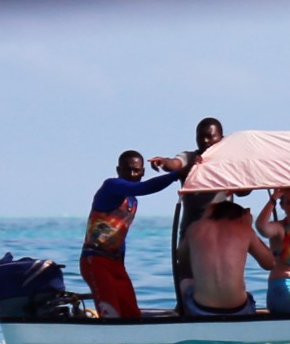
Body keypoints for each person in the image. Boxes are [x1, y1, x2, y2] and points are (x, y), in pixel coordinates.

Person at [80, 149, 185, 318]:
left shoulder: (131, 200)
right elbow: (145, 187)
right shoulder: (111, 187)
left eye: (136, 170)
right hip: (95, 261)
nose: (131, 174)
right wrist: (177, 174)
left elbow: (118, 234)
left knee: (131, 314)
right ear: (118, 170)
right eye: (126, 170)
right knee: (111, 315)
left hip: (116, 264)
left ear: (142, 172)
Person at [159, 116, 227, 298]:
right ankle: (183, 315)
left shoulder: (228, 163)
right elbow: (175, 164)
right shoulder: (190, 158)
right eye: (200, 137)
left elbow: (245, 192)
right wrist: (164, 163)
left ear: (221, 138)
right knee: (187, 284)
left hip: (219, 239)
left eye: (209, 137)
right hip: (190, 236)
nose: (205, 141)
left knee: (216, 286)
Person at [180, 198, 276, 317]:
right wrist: (249, 227)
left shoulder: (194, 228)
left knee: (185, 283)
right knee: (248, 295)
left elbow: (181, 258)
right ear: (240, 218)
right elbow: (270, 263)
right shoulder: (245, 230)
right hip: (239, 310)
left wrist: (204, 219)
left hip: (201, 310)